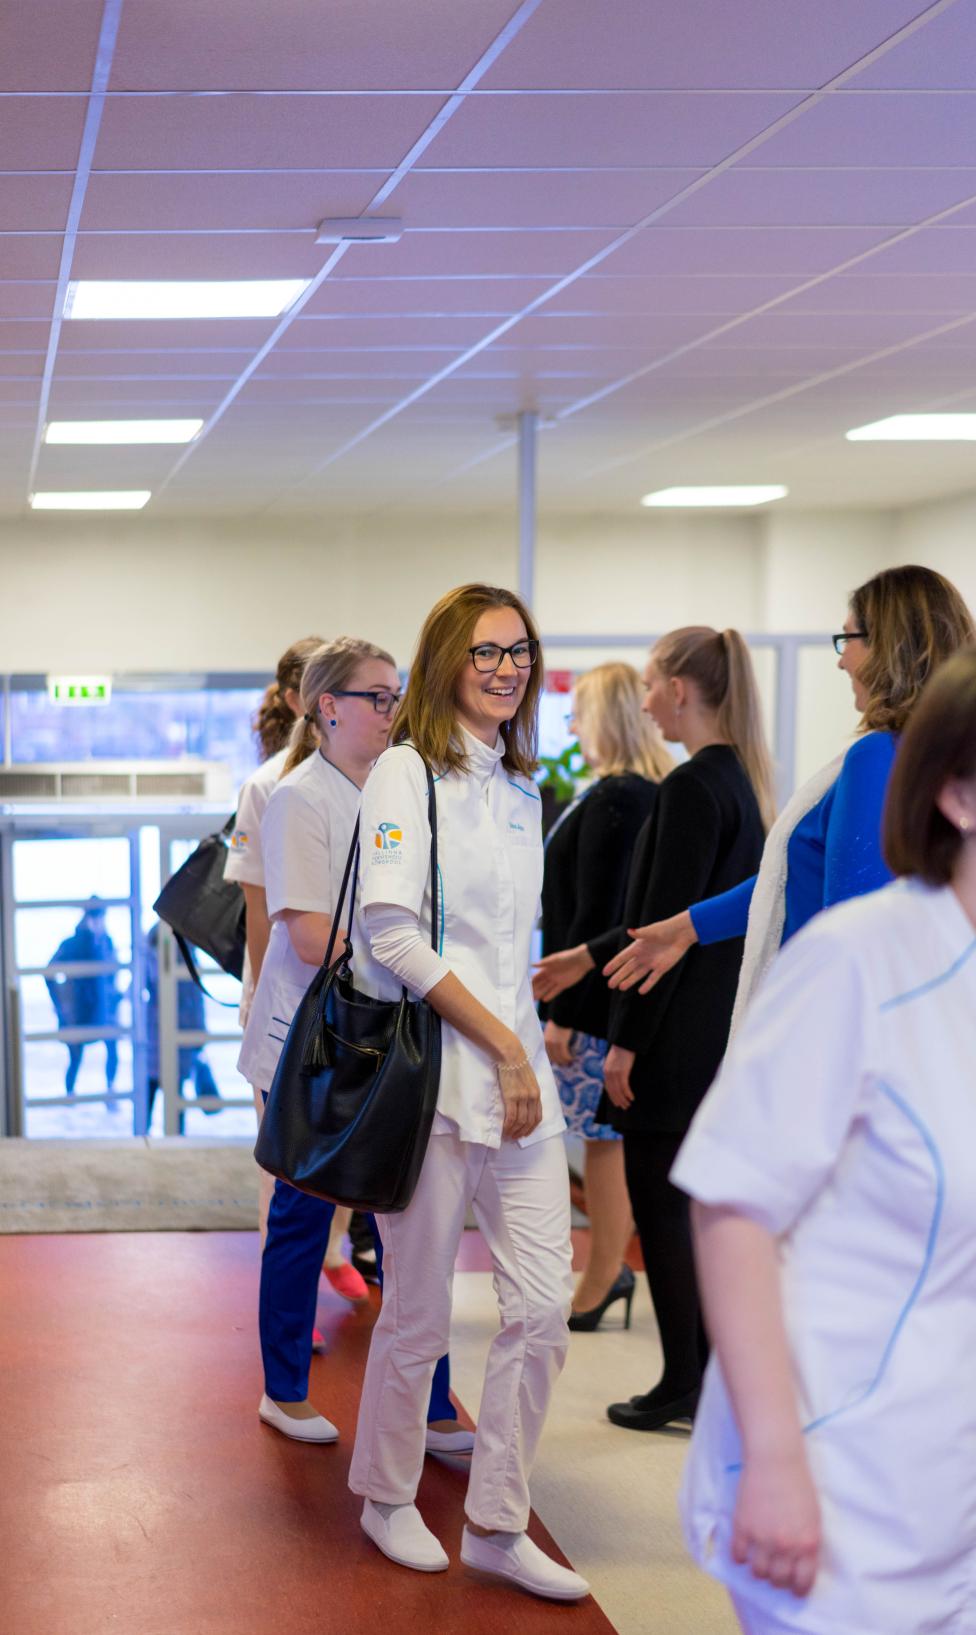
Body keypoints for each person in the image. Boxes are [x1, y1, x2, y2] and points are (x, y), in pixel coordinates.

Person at [673, 634, 976, 1635]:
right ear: (955, 793)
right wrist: (775, 1457)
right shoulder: (861, 963)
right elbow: (732, 1209)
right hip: (846, 1488)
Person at [348, 583, 588, 1601]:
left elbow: (499, 947)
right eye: (487, 651)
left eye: (519, 652)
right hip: (436, 1083)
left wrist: (529, 1038)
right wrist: (502, 1045)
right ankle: (386, 1495)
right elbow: (390, 933)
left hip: (520, 1086)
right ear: (448, 657)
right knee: (419, 1312)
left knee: (542, 1308)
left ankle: (496, 1520)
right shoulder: (405, 773)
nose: (506, 668)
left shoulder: (522, 787)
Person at [534, 627, 772, 1431]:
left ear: (678, 689)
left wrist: (625, 1044)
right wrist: (585, 956)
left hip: (669, 1036)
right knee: (686, 1208)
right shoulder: (736, 780)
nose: (642, 703)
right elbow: (674, 919)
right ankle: (701, 1373)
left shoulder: (690, 787)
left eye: (648, 685)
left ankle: (682, 1380)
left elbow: (659, 936)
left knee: (663, 1210)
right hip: (710, 1028)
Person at [601, 566, 976, 1026]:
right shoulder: (948, 755)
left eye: (847, 639)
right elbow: (789, 878)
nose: (841, 661)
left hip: (835, 1020)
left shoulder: (878, 756)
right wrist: (688, 928)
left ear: (888, 645)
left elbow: (849, 926)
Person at [238, 636, 399, 1443]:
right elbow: (305, 935)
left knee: (399, 1215)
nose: (391, 711)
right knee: (302, 1212)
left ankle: (433, 1400)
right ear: (327, 706)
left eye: (396, 696)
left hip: (382, 1025)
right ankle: (284, 1388)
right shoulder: (299, 796)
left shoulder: (391, 790)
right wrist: (410, 958)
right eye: (377, 697)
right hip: (314, 1033)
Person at [224, 636, 370, 1328]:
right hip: (288, 997)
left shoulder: (368, 776)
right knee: (285, 1167)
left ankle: (335, 1249)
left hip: (354, 998)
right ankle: (293, 1307)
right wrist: (261, 995)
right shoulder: (270, 786)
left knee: (342, 1159)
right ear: (303, 700)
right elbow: (259, 908)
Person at [539, 662, 674, 1329]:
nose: (573, 728)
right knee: (602, 1144)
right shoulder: (632, 792)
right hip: (602, 998)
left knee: (602, 1145)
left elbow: (600, 913)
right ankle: (604, 1272)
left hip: (593, 1001)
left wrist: (563, 1014)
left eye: (579, 714)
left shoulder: (621, 797)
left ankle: (601, 1277)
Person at [144, 921, 219, 1130]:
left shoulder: (153, 945)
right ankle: (172, 1137)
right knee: (171, 1091)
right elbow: (194, 1000)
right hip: (175, 1031)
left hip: (160, 1031)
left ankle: (145, 1136)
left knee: (154, 1089)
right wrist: (199, 1035)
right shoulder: (184, 951)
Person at [46, 898, 120, 1098]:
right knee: (75, 1058)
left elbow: (113, 974)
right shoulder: (73, 944)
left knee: (111, 1050)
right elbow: (49, 973)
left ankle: (110, 1091)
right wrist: (61, 1003)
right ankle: (70, 1096)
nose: (98, 922)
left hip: (103, 1009)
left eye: (100, 917)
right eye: (94, 916)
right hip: (79, 1012)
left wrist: (114, 998)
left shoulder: (106, 942)